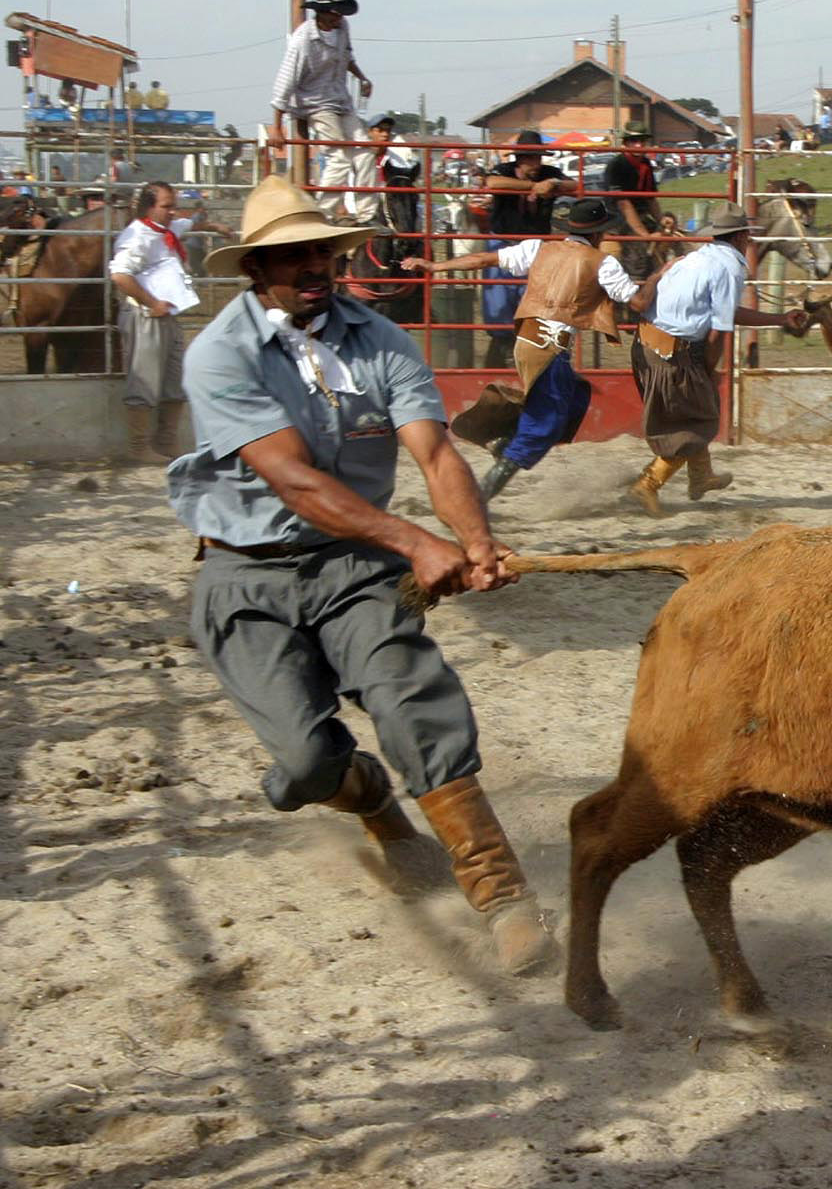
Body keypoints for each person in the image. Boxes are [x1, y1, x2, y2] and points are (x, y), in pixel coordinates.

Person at [167, 175, 555, 974]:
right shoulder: (219, 354)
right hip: (244, 575)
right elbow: (294, 481)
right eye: (291, 255)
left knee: (411, 692)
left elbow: (435, 450)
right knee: (307, 763)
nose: (313, 265)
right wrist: (417, 542)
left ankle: (503, 896)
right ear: (254, 269)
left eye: (322, 250)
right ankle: (368, 796)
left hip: (353, 568)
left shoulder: (379, 339)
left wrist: (476, 541)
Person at [401, 198, 642, 498]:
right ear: (598, 234)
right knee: (544, 426)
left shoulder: (538, 248)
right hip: (550, 348)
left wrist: (437, 265)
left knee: (574, 398)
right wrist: (661, 277)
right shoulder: (603, 264)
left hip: (527, 342)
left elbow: (483, 260)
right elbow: (637, 302)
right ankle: (479, 495)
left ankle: (503, 443)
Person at [624, 202, 806, 514]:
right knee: (697, 422)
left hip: (647, 345)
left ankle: (701, 476)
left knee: (697, 411)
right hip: (672, 353)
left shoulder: (694, 259)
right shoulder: (729, 268)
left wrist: (778, 319)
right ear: (742, 237)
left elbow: (725, 312)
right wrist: (707, 369)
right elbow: (720, 328)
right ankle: (648, 484)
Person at [109, 181, 226, 463]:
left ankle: (166, 442)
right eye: (166, 206)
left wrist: (214, 227)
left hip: (166, 312)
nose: (173, 211)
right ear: (149, 207)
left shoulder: (164, 230)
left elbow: (188, 225)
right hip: (146, 314)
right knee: (145, 379)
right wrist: (153, 303)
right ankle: (140, 447)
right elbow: (120, 275)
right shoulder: (137, 236)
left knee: (174, 378)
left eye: (173, 205)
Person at [270, 0, 375, 222]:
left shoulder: (342, 28)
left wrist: (361, 77)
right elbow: (285, 81)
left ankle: (367, 214)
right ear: (322, 13)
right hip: (314, 102)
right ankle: (324, 214)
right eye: (335, 12)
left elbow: (346, 57)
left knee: (365, 150)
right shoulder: (303, 40)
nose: (339, 17)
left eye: (340, 12)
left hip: (340, 99)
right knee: (339, 155)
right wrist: (276, 125)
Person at [481, 131, 573, 369]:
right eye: (530, 158)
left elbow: (576, 185)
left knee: (533, 298)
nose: (536, 163)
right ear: (519, 159)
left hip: (535, 245)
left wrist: (554, 184)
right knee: (499, 297)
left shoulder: (550, 174)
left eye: (538, 158)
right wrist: (533, 186)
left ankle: (522, 349)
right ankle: (503, 346)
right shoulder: (503, 171)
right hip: (504, 240)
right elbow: (492, 183)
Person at [602, 121, 663, 282]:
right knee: (637, 254)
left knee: (671, 239)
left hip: (640, 215)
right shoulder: (616, 165)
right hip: (617, 217)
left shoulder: (646, 164)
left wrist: (663, 222)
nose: (639, 145)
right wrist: (644, 235)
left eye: (642, 141)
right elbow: (623, 204)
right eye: (634, 141)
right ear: (626, 143)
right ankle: (636, 287)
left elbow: (651, 198)